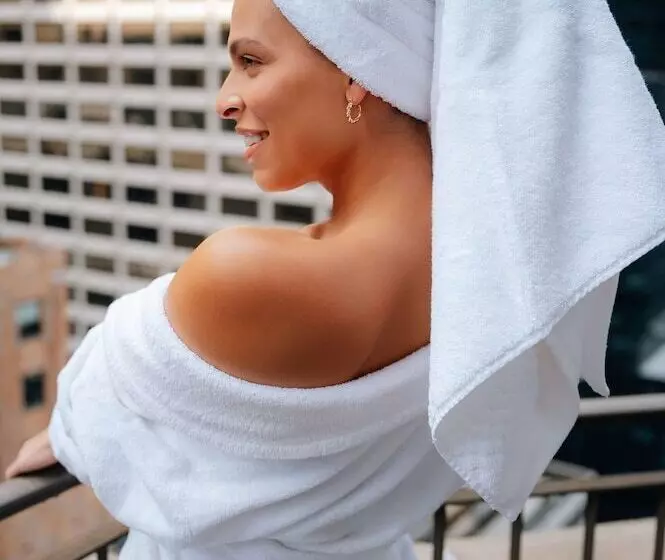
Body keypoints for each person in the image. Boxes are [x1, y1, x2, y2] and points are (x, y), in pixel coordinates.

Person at [6, 0, 665, 558]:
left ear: (357, 71)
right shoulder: (491, 287)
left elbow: (99, 405)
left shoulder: (241, 274)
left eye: (251, 61)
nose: (224, 99)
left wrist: (70, 429)